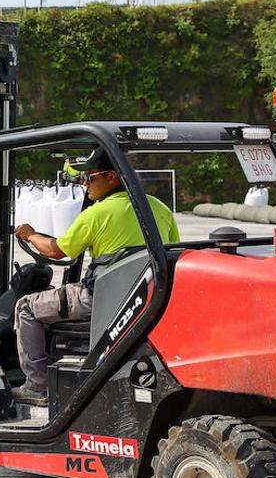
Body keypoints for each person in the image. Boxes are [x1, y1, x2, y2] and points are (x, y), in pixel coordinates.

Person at [11, 148, 179, 402]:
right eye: (83, 179)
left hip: (99, 298)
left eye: (91, 178)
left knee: (26, 307)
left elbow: (56, 251)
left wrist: (30, 235)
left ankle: (37, 385)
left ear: (112, 177)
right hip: (144, 297)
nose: (85, 184)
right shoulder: (159, 208)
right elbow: (171, 251)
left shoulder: (96, 214)